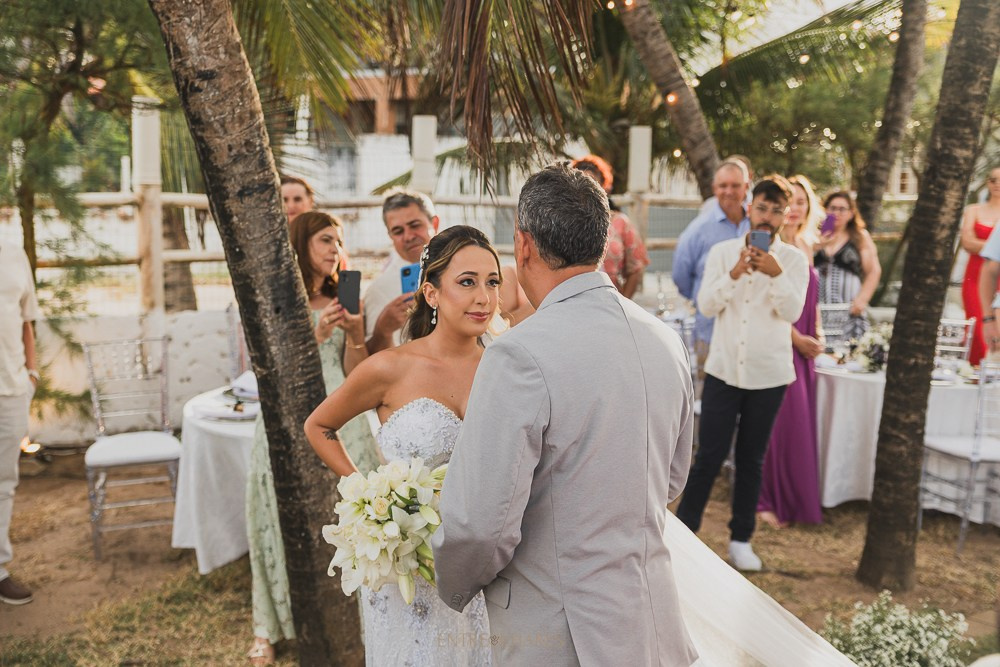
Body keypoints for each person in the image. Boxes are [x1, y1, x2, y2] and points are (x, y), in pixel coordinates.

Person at [432, 164, 698, 665]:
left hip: (558, 630)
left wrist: (450, 584)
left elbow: (480, 525)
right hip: (653, 618)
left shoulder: (518, 354)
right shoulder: (665, 339)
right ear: (600, 242)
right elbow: (671, 477)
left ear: (524, 245)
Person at [304, 225, 499, 667]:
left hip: (486, 561)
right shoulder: (389, 368)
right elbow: (319, 426)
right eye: (467, 282)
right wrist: (370, 497)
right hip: (407, 561)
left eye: (492, 282)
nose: (484, 298)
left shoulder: (504, 367)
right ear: (431, 293)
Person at [245, 212, 379, 665]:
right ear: (301, 244)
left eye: (339, 242)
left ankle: (361, 613)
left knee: (353, 512)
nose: (335, 250)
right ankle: (269, 624)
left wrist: (355, 334)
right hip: (289, 419)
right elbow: (269, 375)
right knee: (278, 512)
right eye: (325, 240)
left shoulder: (345, 295)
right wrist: (315, 333)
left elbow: (356, 375)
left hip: (342, 418)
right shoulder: (280, 300)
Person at [676, 176, 809, 572]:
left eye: (776, 210)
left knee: (752, 458)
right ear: (750, 208)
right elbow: (706, 304)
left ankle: (740, 540)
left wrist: (775, 272)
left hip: (769, 375)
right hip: (723, 370)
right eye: (762, 208)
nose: (767, 217)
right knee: (709, 455)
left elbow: (792, 313)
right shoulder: (721, 252)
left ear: (787, 216)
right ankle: (684, 533)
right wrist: (734, 273)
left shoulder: (795, 261)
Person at [757, 175, 825, 529]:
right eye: (790, 202)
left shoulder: (807, 246)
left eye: (801, 201)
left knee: (799, 423)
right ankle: (767, 498)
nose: (796, 208)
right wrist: (796, 338)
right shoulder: (777, 248)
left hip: (806, 345)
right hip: (782, 341)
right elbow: (766, 301)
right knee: (780, 422)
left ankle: (799, 500)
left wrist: (818, 333)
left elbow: (811, 300)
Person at [672, 160, 752, 355]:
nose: (729, 191)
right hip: (712, 331)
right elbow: (680, 275)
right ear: (714, 188)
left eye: (735, 185)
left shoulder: (755, 225)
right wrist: (702, 298)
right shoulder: (698, 229)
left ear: (746, 187)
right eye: (723, 186)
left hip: (749, 332)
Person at [0, 241, 38, 606]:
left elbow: (26, 319)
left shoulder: (13, 253)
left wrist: (32, 374)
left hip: (11, 389)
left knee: (3, 483)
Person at [364, 190, 439, 354]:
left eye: (415, 225)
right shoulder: (378, 290)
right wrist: (382, 330)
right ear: (390, 236)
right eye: (398, 231)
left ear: (434, 224)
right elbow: (371, 358)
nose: (408, 236)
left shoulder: (463, 271)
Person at [571, 154, 650, 298]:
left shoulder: (620, 222)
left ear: (604, 187)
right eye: (579, 181)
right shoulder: (562, 222)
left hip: (612, 302)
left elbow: (636, 267)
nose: (585, 189)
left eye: (592, 182)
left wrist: (623, 303)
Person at [814, 191, 882, 341]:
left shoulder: (859, 236)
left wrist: (862, 300)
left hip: (848, 311)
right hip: (818, 312)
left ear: (851, 213)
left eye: (842, 209)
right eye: (832, 208)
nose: (836, 212)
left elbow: (873, 271)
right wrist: (818, 243)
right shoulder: (813, 235)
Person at [961, 167, 1000, 365]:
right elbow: (967, 242)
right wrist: (995, 249)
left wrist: (986, 248)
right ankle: (976, 371)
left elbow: (974, 244)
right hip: (977, 275)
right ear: (988, 183)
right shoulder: (973, 210)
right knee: (977, 324)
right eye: (993, 180)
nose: (997, 184)